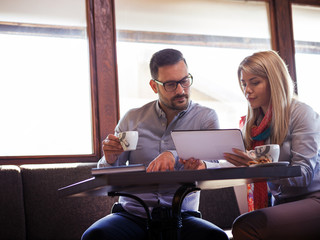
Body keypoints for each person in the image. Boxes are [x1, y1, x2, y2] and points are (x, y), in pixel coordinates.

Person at [81, 48, 229, 240]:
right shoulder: (132, 118)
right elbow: (107, 179)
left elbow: (215, 168)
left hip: (182, 216)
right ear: (154, 86)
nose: (181, 90)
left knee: (216, 238)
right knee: (94, 236)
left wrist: (174, 154)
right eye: (170, 84)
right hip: (132, 215)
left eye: (184, 80)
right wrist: (109, 159)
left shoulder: (206, 118)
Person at [223, 50, 320, 240]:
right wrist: (203, 165)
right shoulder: (253, 124)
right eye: (244, 83)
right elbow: (238, 162)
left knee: (246, 226)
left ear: (274, 81)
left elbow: (305, 174)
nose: (247, 90)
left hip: (314, 198)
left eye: (255, 82)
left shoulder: (302, 114)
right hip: (282, 201)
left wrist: (258, 167)